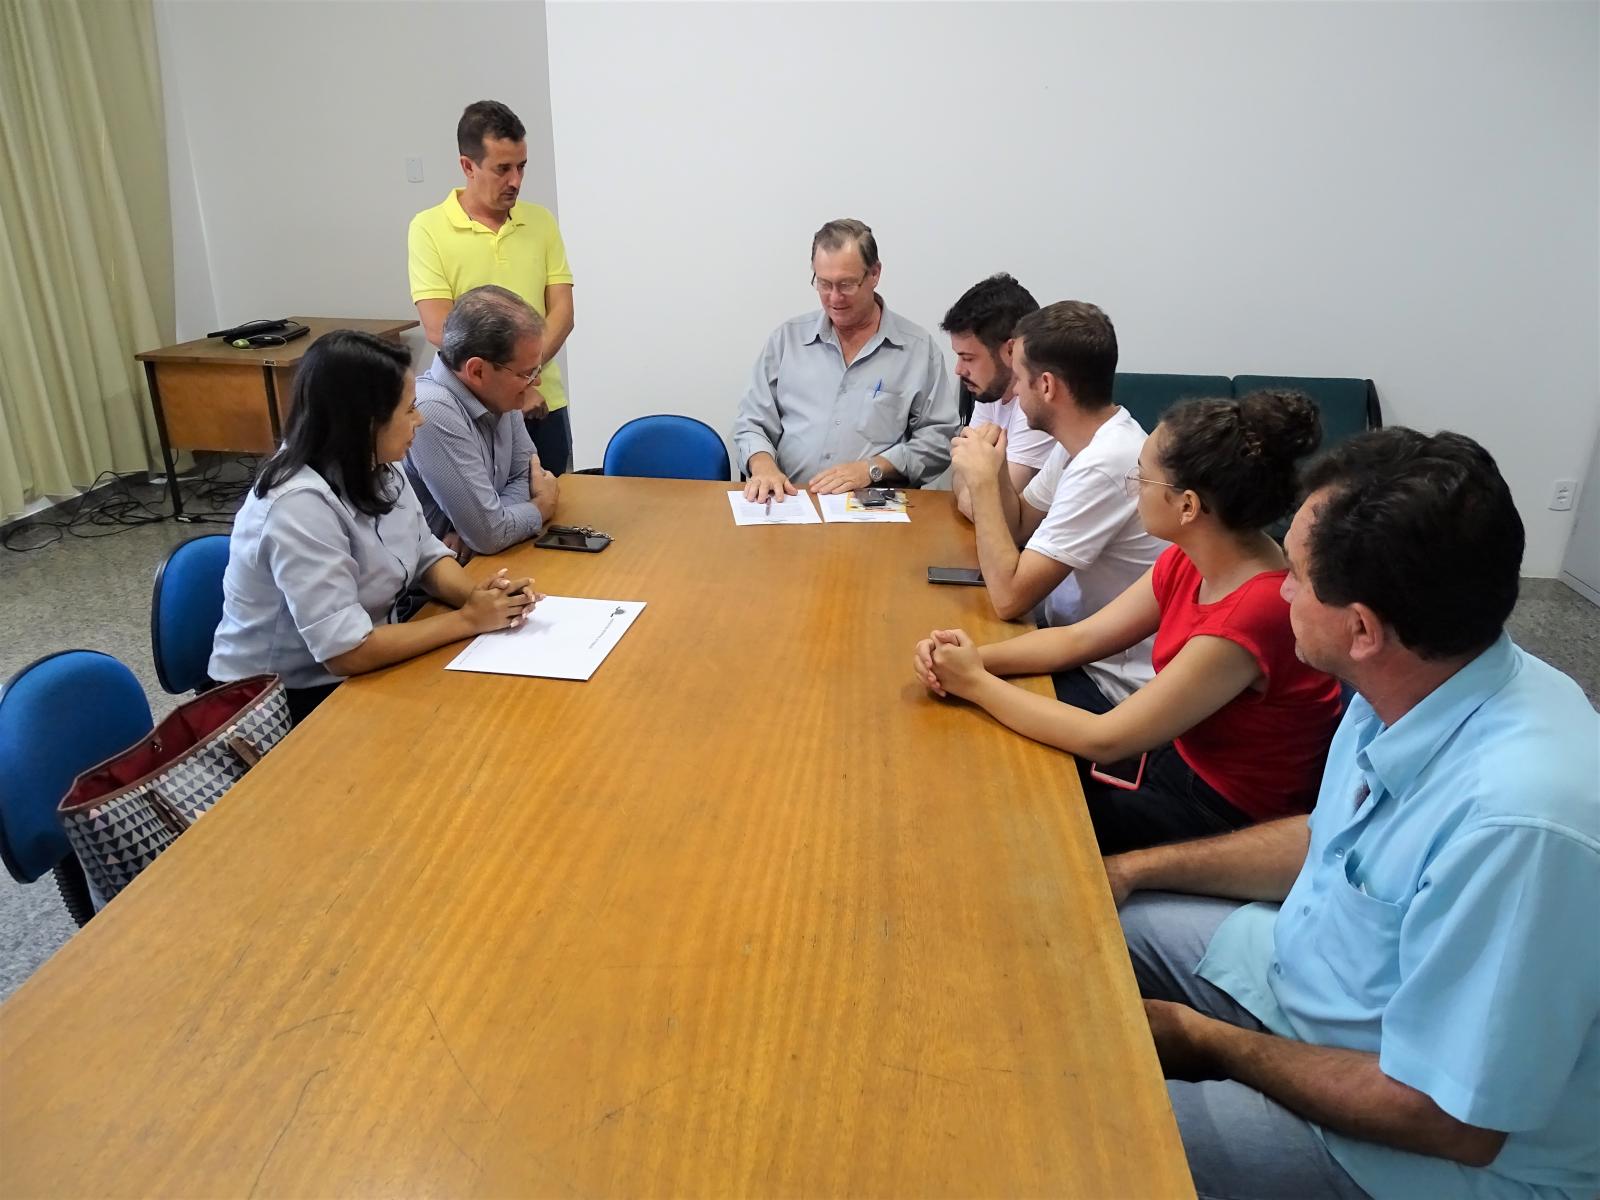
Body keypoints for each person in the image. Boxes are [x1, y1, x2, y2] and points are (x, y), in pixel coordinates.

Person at [1108, 427, 1600, 1200]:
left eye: (1297, 577)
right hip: (1309, 982)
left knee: (1094, 1129)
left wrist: (1212, 1043)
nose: (1280, 591)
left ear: (1362, 628)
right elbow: (1328, 842)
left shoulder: (1519, 826)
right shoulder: (1417, 677)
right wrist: (1134, 869)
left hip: (1422, 1148)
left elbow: (1450, 1121)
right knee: (1095, 925)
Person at [915, 391, 1343, 852]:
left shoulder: (1253, 610)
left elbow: (1105, 739)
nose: (1132, 486)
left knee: (1011, 813)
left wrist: (974, 683)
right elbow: (1078, 639)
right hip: (1177, 759)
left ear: (1188, 506)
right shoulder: (1192, 557)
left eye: (1142, 476)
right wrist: (971, 659)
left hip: (1221, 811)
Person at [209, 331, 538, 725]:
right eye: (409, 409)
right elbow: (346, 651)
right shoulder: (296, 504)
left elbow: (426, 555)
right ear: (366, 422)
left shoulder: (378, 463)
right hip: (277, 703)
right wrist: (468, 619)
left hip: (362, 666)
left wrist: (482, 599)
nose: (420, 419)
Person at [947, 304, 1167, 698]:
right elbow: (1019, 524)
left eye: (1019, 379)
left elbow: (1009, 599)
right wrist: (996, 469)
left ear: (1047, 386)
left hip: (1106, 681)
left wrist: (980, 484)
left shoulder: (1105, 463)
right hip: (1067, 644)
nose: (1014, 391)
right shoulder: (1082, 442)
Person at [733, 219, 959, 500]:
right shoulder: (786, 341)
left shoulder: (917, 350)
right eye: (824, 284)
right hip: (792, 500)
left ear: (874, 274)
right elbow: (751, 422)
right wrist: (763, 466)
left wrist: (873, 469)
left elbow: (940, 438)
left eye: (846, 284)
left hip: (873, 504)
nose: (834, 297)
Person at [408, 100, 576, 473]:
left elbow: (562, 313)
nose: (515, 180)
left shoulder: (541, 221)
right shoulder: (428, 228)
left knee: (554, 501)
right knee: (486, 509)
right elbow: (440, 327)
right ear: (468, 166)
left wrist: (526, 382)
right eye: (502, 169)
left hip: (543, 403)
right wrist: (514, 387)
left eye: (521, 166)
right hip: (471, 411)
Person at [404, 286, 558, 557]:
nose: (536, 382)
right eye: (526, 373)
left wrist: (487, 524)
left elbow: (527, 476)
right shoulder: (432, 410)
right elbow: (490, 535)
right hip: (437, 580)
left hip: (489, 561)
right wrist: (540, 508)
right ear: (477, 371)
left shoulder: (499, 393)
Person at [940, 273, 1055, 514]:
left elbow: (990, 510)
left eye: (968, 358)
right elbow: (959, 473)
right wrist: (971, 485)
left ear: (1010, 350)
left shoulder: (1040, 402)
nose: (959, 370)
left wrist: (972, 485)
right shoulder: (991, 390)